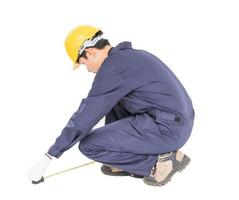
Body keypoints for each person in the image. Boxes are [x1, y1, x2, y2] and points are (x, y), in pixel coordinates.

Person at [27, 25, 195, 186]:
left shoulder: (113, 68)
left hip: (167, 130)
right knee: (114, 100)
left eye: (84, 63)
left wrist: (50, 155)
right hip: (175, 123)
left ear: (90, 52)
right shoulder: (130, 57)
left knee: (90, 145)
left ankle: (159, 162)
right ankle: (127, 159)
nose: (88, 70)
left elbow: (86, 115)